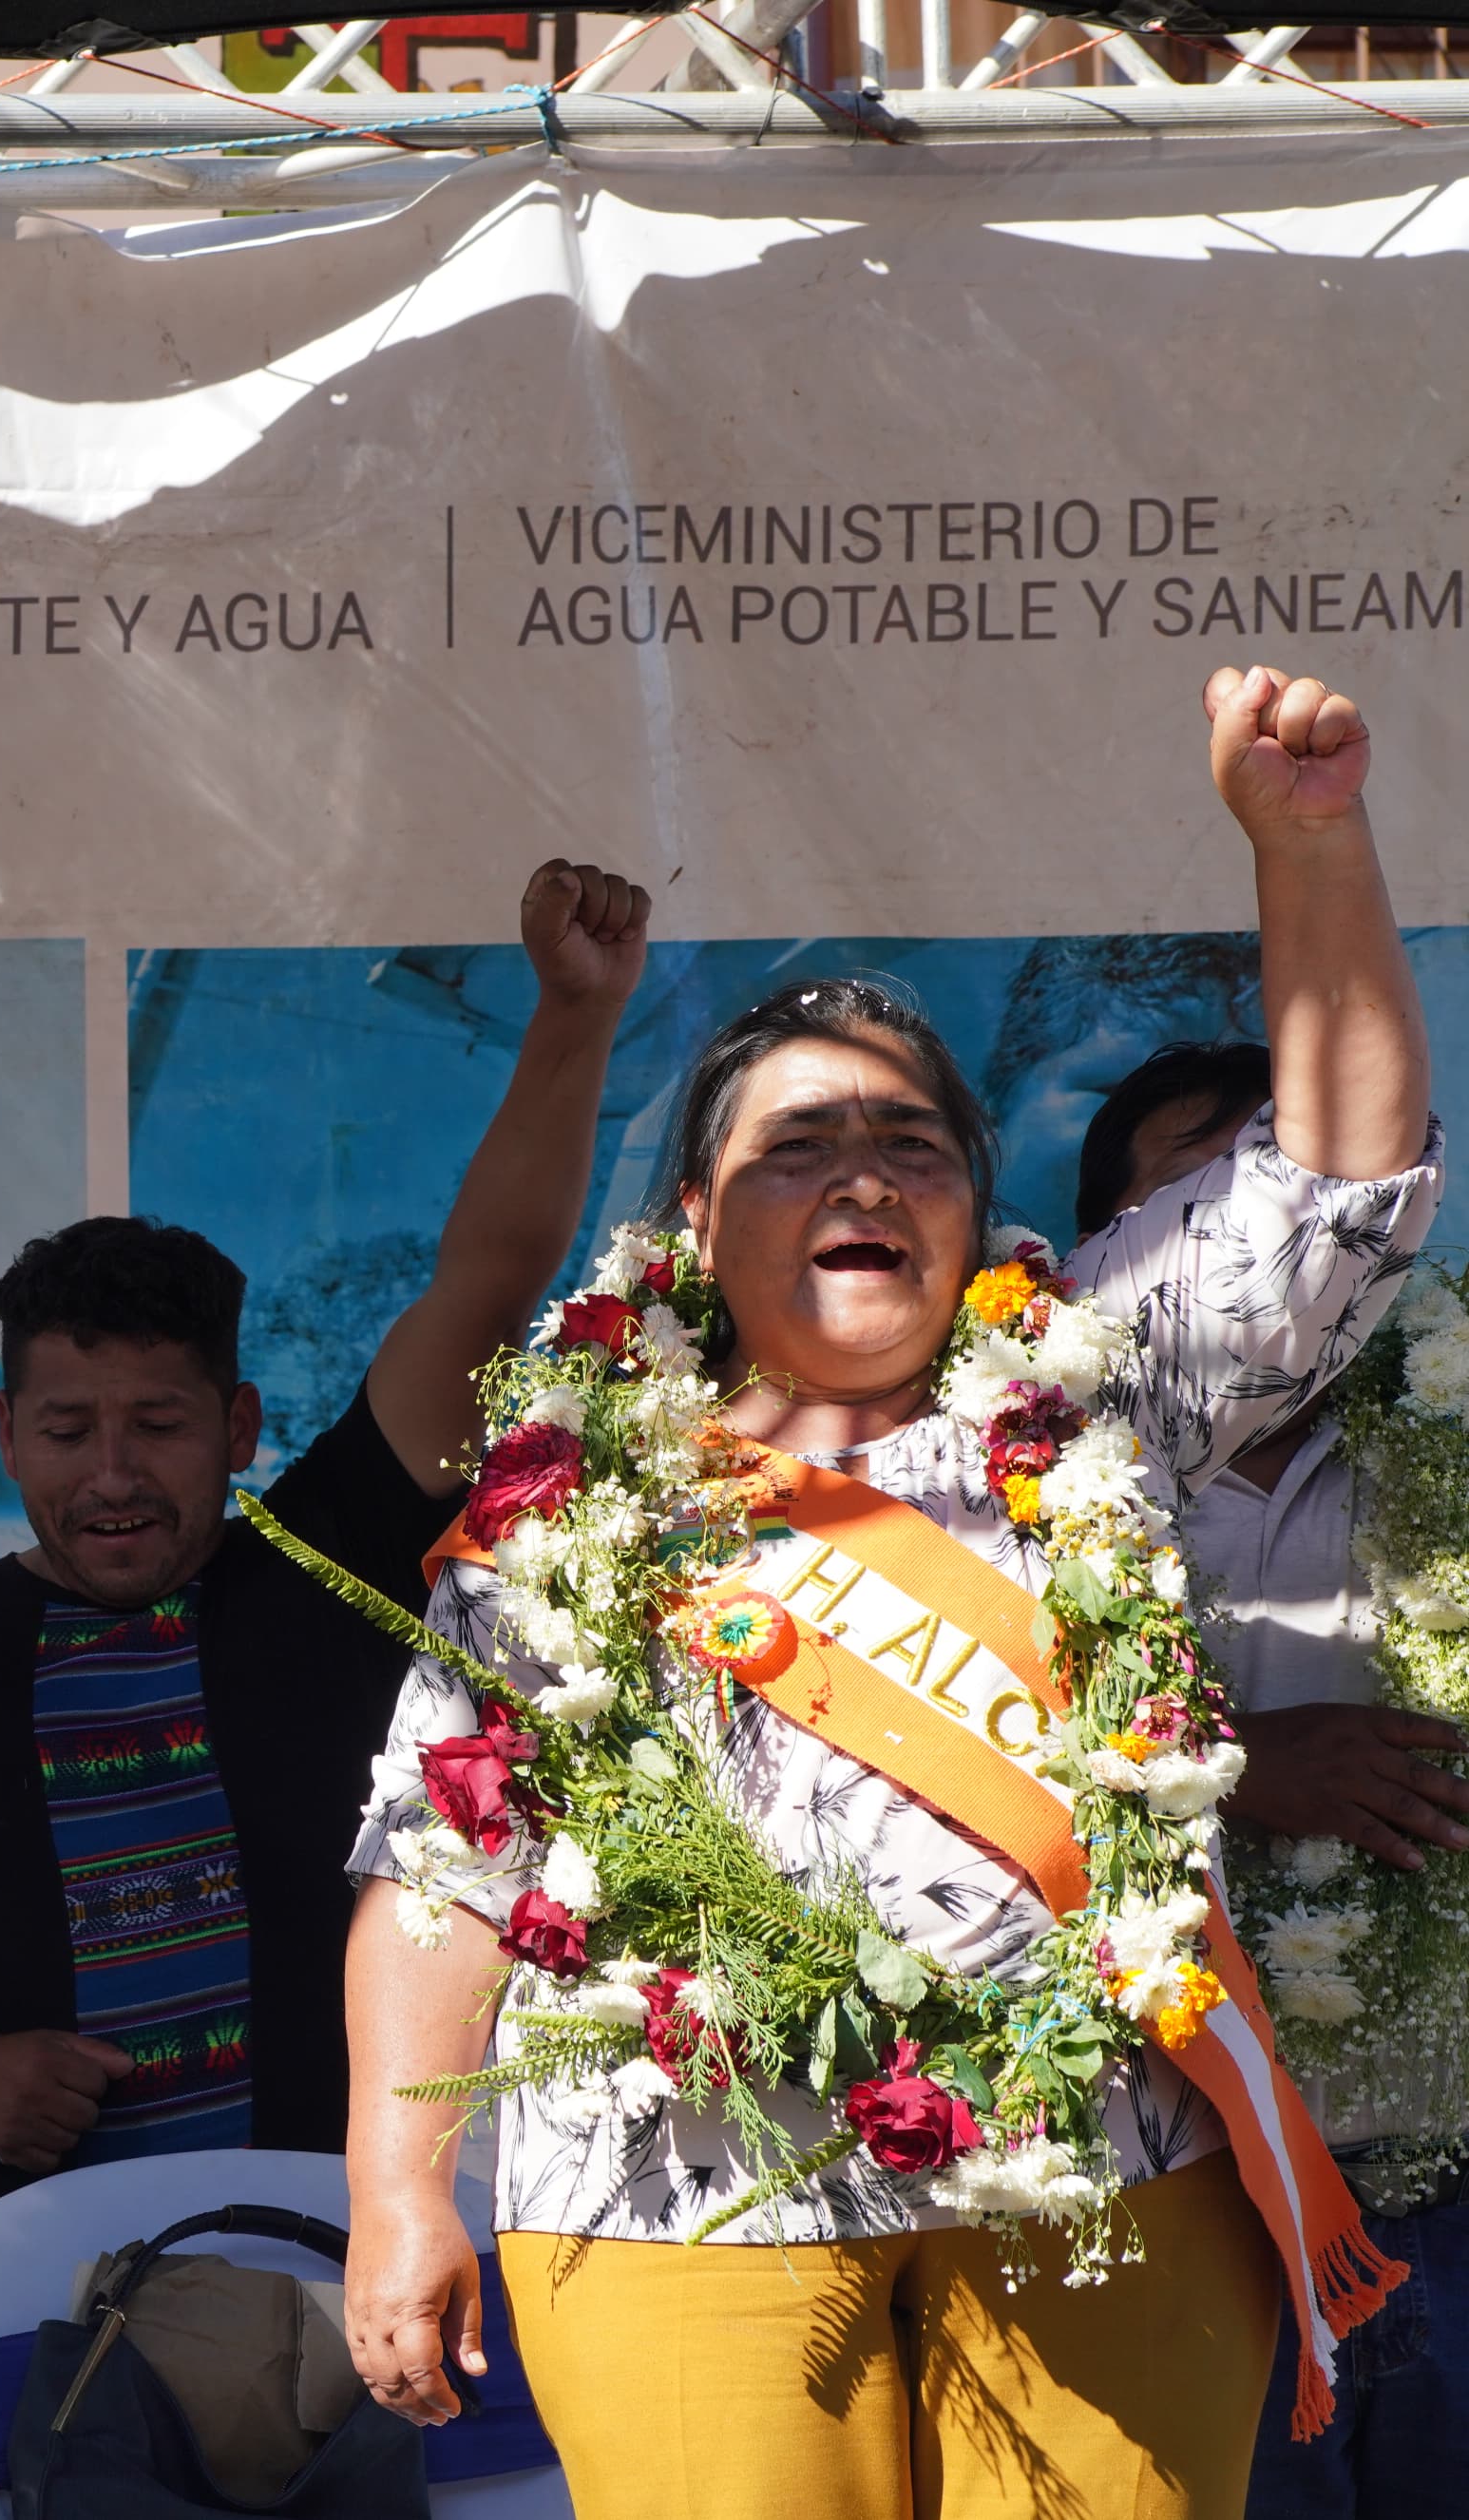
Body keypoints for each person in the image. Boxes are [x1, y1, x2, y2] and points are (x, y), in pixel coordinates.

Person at [339, 663, 1440, 2518]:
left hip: (1099, 2179)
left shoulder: (1094, 1378)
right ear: (692, 1227)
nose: (860, 1173)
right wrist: (390, 2192)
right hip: (675, 2193)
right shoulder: (569, 1496)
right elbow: (442, 1865)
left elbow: (1334, 1186)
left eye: (906, 1144)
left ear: (971, 1209)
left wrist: (1306, 845)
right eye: (795, 1147)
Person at [0, 861, 651, 2520]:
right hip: (20, 2305)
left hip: (353, 2282)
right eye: (67, 1427)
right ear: (9, 1435)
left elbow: (488, 1279)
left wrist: (576, 1015)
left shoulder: (325, 1564)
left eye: (158, 1425)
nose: (111, 1471)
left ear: (237, 1428)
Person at [1080, 1039, 1469, 2517]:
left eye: (1286, 1165)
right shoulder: (1030, 1466)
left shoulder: (1448, 1414)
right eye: (1217, 1173)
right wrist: (1237, 1772)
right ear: (1122, 1244)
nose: (1272, 1216)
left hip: (1444, 2151)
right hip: (1184, 2173)